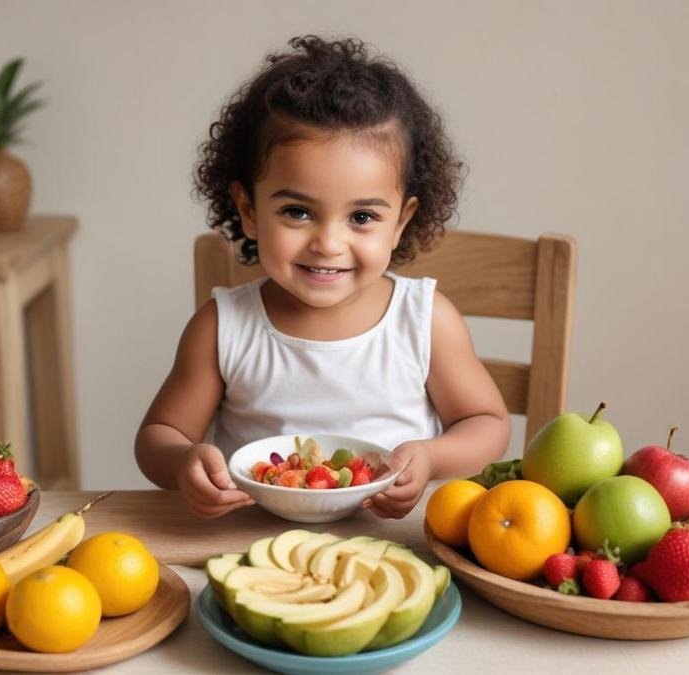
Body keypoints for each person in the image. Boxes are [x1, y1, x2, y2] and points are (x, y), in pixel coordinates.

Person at [135, 35, 510, 519]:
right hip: (251, 545)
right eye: (297, 211)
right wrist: (185, 461)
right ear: (248, 210)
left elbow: (488, 423)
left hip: (394, 545)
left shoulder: (425, 320)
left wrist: (433, 456)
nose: (328, 244)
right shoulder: (222, 327)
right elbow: (157, 438)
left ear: (400, 221)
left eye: (361, 218)